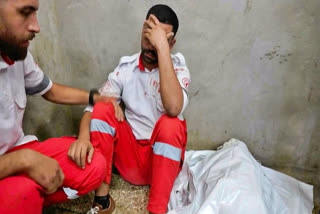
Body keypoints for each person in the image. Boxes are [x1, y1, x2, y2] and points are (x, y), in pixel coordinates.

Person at [69, 4, 191, 214]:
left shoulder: (178, 68)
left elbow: (173, 107)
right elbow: (92, 107)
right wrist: (82, 137)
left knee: (172, 123)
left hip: (160, 165)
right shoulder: (127, 68)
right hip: (130, 160)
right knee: (103, 107)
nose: (150, 46)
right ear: (143, 31)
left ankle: (156, 210)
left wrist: (162, 48)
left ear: (171, 43)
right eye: (148, 38)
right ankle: (102, 200)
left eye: (158, 41)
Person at [0, 0, 110, 213]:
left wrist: (93, 98)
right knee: (22, 192)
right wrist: (25, 160)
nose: (36, 26)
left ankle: (32, 199)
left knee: (94, 165)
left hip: (17, 148)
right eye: (25, 13)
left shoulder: (16, 53)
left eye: (36, 13)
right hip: (15, 159)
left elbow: (50, 90)